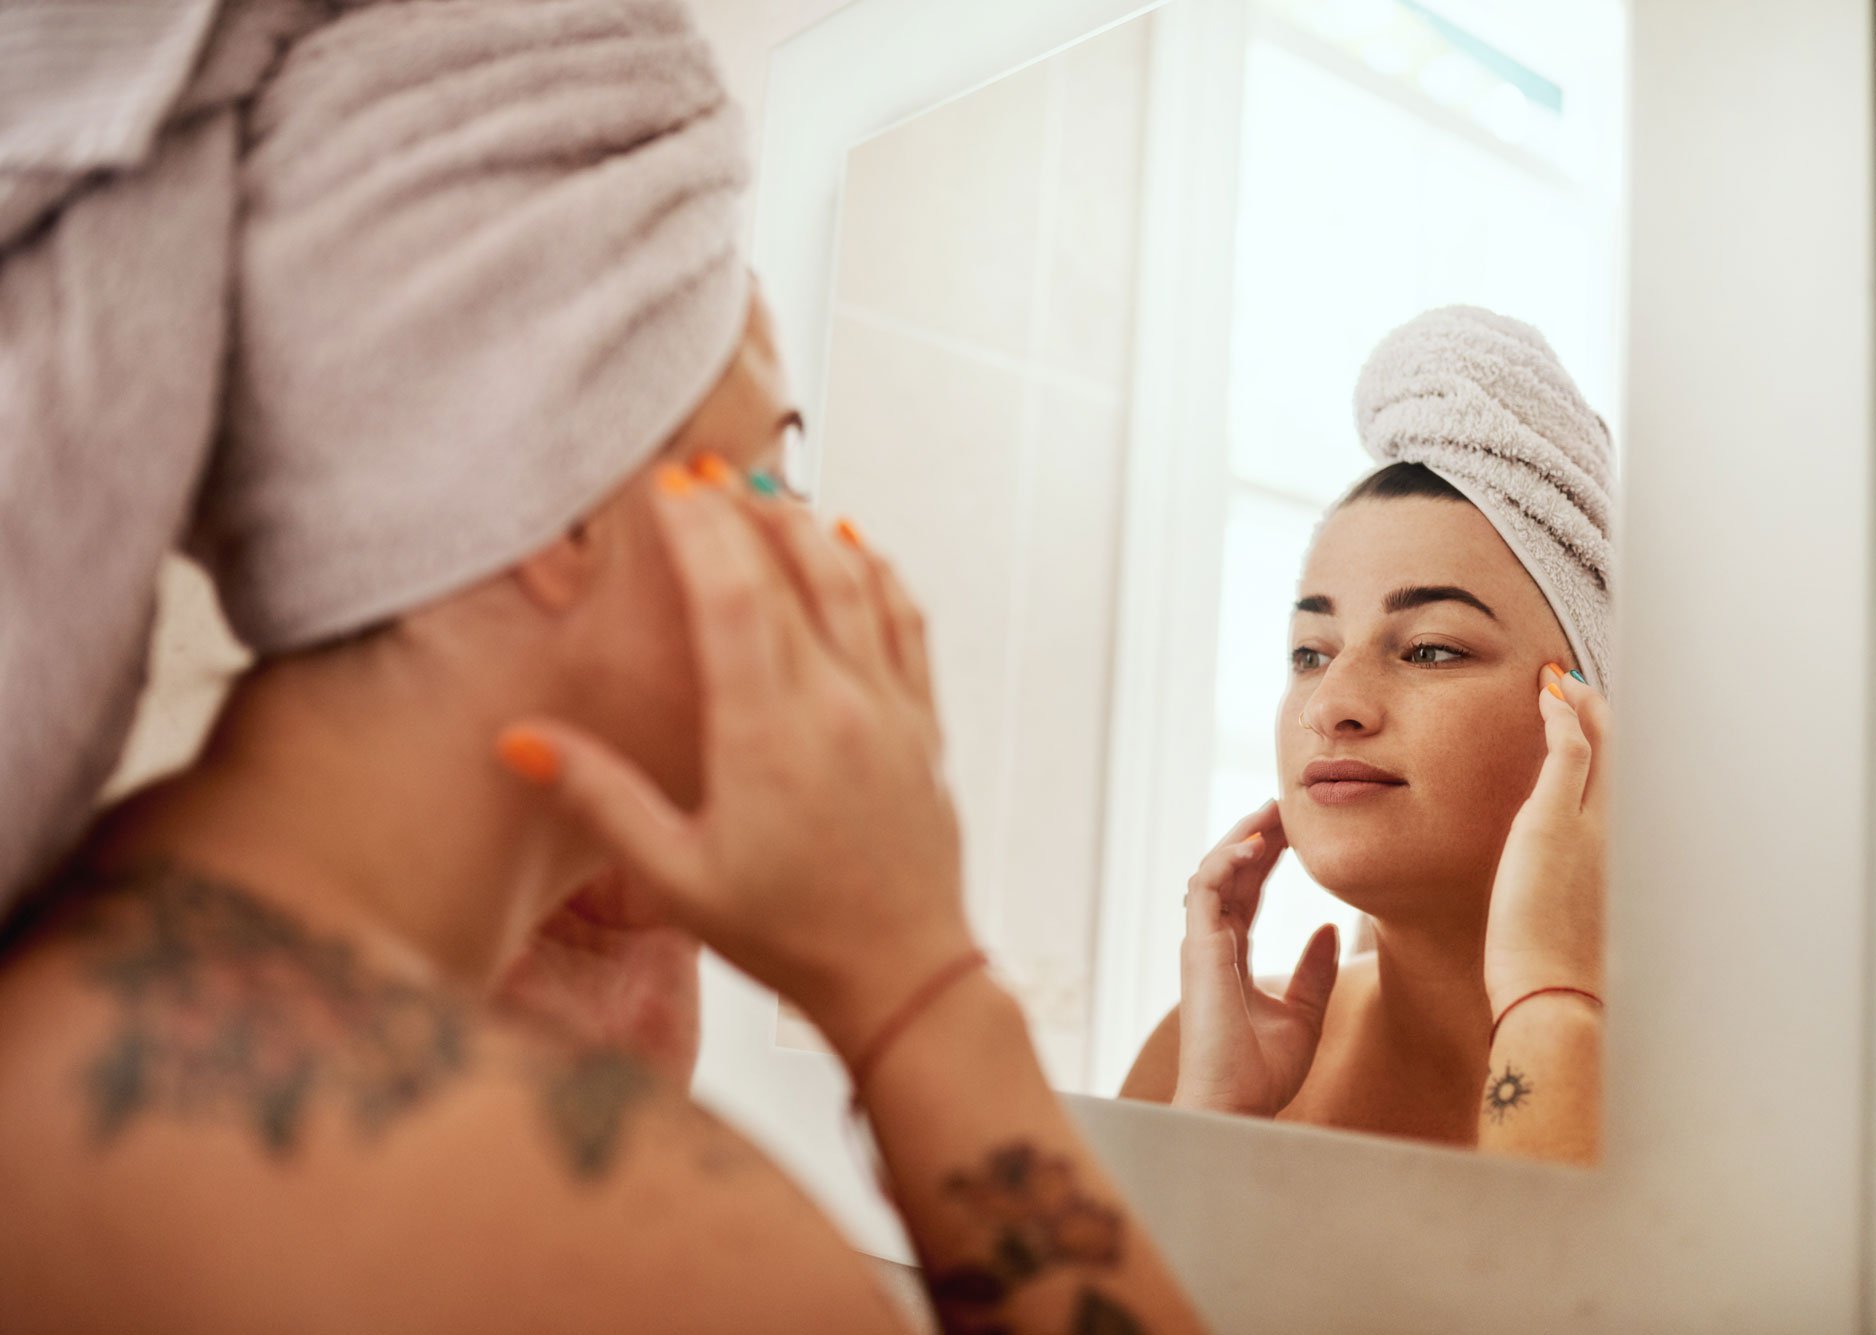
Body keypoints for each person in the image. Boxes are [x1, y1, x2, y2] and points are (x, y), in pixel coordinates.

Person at [0, 2, 1211, 1329]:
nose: (816, 540)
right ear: (568, 507)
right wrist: (915, 986)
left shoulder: (55, 954)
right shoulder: (639, 1241)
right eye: (774, 463)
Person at [1120, 308, 1615, 1165]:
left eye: (1428, 648)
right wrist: (1212, 1121)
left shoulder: (1719, 1096)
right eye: (1309, 653)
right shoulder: (1204, 1057)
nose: (1331, 704)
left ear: (1588, 711)